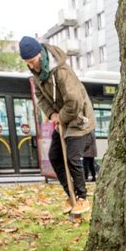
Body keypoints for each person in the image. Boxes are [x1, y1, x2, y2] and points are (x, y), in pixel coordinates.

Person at [19, 35, 95, 215]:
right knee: (54, 156)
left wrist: (60, 116)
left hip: (79, 118)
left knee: (72, 158)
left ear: (40, 54)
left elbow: (75, 102)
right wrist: (51, 114)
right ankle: (71, 195)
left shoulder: (61, 72)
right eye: (27, 63)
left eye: (32, 61)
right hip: (62, 119)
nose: (31, 66)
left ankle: (82, 198)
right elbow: (40, 98)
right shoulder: (37, 75)